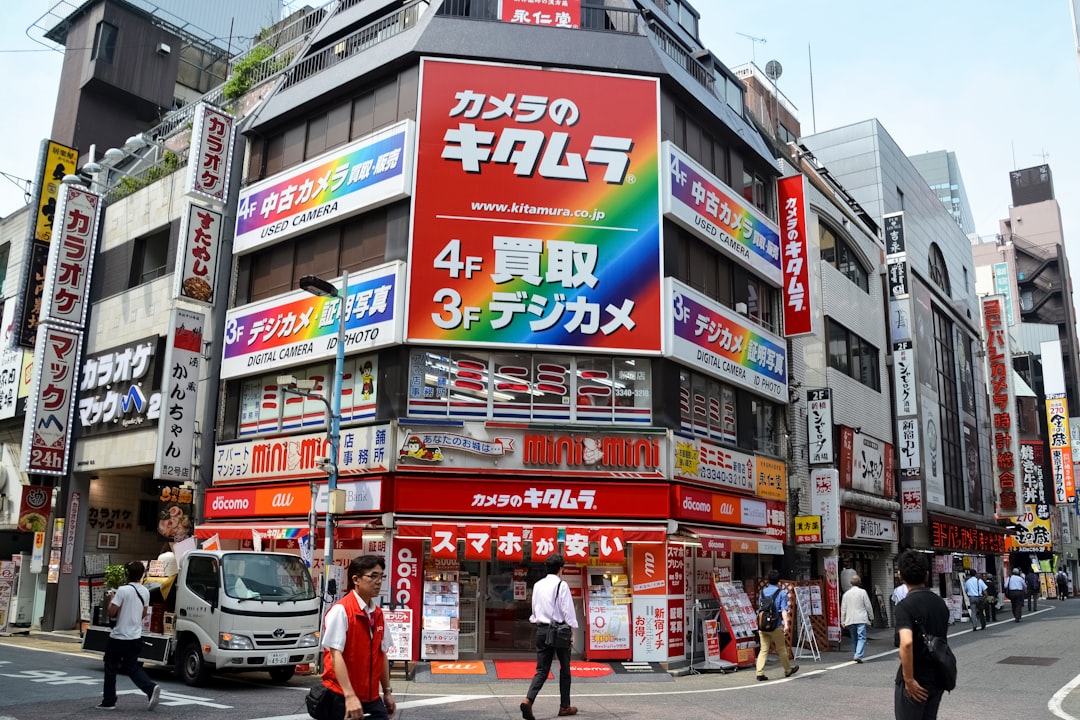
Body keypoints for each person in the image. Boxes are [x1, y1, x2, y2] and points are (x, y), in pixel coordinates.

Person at [320, 555, 396, 720]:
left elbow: (381, 653)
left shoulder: (378, 614)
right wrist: (349, 696)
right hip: (341, 697)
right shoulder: (341, 611)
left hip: (372, 698)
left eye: (381, 576)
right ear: (356, 579)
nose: (378, 581)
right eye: (373, 576)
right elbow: (335, 654)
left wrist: (387, 691)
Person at [893, 550, 950, 720]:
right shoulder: (940, 603)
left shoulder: (905, 606)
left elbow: (907, 643)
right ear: (926, 575)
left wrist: (909, 680)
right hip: (938, 677)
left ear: (900, 576)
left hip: (916, 680)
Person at [521, 554, 579, 719]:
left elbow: (534, 608)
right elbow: (567, 610)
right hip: (560, 631)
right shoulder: (562, 585)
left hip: (542, 629)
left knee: (541, 670)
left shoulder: (538, 585)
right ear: (561, 568)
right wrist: (572, 629)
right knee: (565, 669)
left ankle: (528, 700)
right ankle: (564, 706)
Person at [98, 561, 161, 711]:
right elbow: (144, 613)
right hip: (135, 637)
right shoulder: (145, 591)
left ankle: (109, 701)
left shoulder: (122, 590)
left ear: (127, 574)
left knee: (110, 667)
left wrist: (112, 599)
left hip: (119, 637)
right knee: (132, 667)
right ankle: (150, 688)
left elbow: (111, 612)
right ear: (141, 575)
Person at [754, 569, 798, 681]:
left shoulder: (762, 592)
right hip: (775, 625)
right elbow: (784, 610)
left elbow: (760, 608)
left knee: (763, 649)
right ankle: (787, 670)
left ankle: (759, 672)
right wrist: (786, 624)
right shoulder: (782, 593)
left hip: (762, 625)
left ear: (768, 580)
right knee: (781, 649)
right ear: (779, 581)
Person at [840, 574, 874, 663]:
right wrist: (871, 616)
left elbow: (843, 608)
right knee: (861, 637)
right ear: (859, 582)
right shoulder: (862, 592)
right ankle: (858, 655)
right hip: (861, 618)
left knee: (854, 638)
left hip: (850, 619)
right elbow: (868, 605)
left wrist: (842, 620)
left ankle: (857, 653)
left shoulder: (846, 594)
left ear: (851, 583)